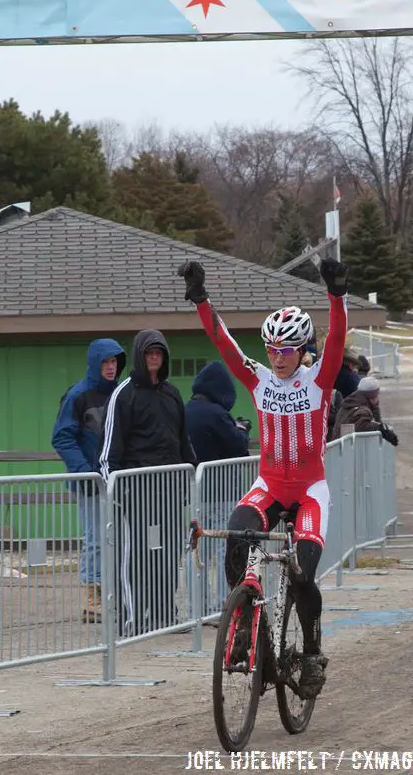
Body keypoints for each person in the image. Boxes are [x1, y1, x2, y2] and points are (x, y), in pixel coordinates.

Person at [178, 256, 348, 700]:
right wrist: (201, 299)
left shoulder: (319, 380)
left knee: (304, 576)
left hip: (310, 492)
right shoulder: (259, 380)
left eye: (286, 350)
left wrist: (336, 295)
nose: (277, 357)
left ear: (302, 350)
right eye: (271, 348)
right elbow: (223, 341)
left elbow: (337, 341)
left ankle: (311, 651)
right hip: (270, 485)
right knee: (238, 533)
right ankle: (243, 623)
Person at [98, 329, 197, 634]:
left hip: (169, 490)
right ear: (140, 356)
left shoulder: (172, 394)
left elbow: (183, 443)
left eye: (159, 352)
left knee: (167, 554)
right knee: (135, 556)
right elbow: (108, 451)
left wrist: (191, 477)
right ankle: (132, 617)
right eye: (149, 352)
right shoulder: (123, 394)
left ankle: (165, 612)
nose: (154, 357)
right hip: (135, 491)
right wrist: (116, 491)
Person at [52, 338, 126, 624]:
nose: (111, 367)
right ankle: (93, 599)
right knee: (96, 539)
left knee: (117, 539)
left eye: (115, 362)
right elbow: (61, 436)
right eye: (106, 362)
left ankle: (113, 594)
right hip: (91, 481)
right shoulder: (77, 395)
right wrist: (84, 470)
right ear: (95, 363)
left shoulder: (121, 393)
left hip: (117, 479)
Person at [184, 361, 250, 616]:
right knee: (224, 548)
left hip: (195, 493)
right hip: (221, 493)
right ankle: (226, 604)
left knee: (196, 550)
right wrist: (241, 430)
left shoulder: (186, 410)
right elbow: (237, 447)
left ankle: (197, 608)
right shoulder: (217, 414)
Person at [331, 376, 399, 446]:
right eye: (377, 395)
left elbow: (375, 420)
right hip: (347, 451)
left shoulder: (352, 402)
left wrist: (375, 408)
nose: (378, 398)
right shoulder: (362, 409)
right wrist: (380, 428)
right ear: (372, 396)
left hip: (340, 450)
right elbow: (362, 426)